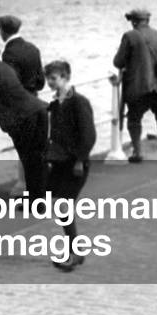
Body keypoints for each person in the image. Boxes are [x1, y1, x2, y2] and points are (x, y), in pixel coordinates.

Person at [0, 43, 48, 199]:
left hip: (22, 117)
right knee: (38, 159)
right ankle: (39, 200)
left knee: (28, 159)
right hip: (39, 109)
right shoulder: (5, 67)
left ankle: (35, 201)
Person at [43, 61, 96, 272]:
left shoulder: (79, 102)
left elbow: (89, 135)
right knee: (58, 204)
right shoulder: (55, 104)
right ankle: (75, 250)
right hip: (60, 161)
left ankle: (75, 252)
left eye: (53, 78)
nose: (49, 82)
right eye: (48, 78)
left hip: (75, 163)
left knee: (63, 205)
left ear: (65, 77)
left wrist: (80, 160)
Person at [112, 8, 157, 163]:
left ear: (134, 21)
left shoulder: (130, 36)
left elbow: (118, 61)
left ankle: (137, 152)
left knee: (134, 119)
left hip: (140, 87)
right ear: (147, 20)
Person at [0, 15, 44, 95]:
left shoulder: (9, 53)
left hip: (19, 98)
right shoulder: (32, 48)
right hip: (34, 96)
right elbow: (41, 82)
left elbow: (11, 84)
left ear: (3, 31)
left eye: (0, 29)